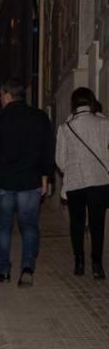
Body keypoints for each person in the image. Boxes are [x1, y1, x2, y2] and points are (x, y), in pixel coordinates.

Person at [0, 78, 55, 286]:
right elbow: (48, 149)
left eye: (2, 95)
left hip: (4, 183)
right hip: (31, 182)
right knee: (29, 225)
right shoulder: (40, 118)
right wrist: (46, 177)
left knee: (3, 226)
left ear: (6, 95)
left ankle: (3, 271)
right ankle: (27, 269)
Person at [56, 87, 109, 278]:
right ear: (91, 101)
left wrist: (71, 168)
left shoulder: (65, 128)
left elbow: (60, 161)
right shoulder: (104, 124)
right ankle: (97, 265)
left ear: (73, 104)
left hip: (76, 182)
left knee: (77, 224)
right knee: (97, 224)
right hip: (99, 181)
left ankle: (79, 263)